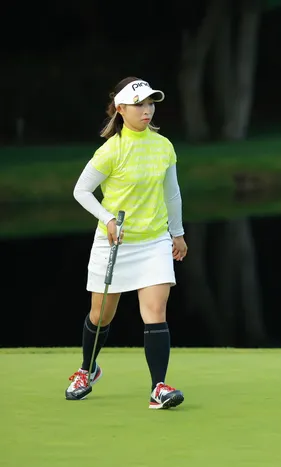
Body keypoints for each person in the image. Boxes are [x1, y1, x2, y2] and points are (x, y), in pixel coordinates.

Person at [66, 76, 188, 410]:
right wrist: (107, 218)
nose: (146, 110)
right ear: (120, 109)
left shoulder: (163, 146)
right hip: (114, 242)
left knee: (155, 311)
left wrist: (177, 233)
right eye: (139, 105)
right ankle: (87, 369)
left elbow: (172, 194)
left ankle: (158, 388)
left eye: (150, 103)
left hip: (154, 240)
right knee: (101, 316)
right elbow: (81, 191)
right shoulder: (111, 150)